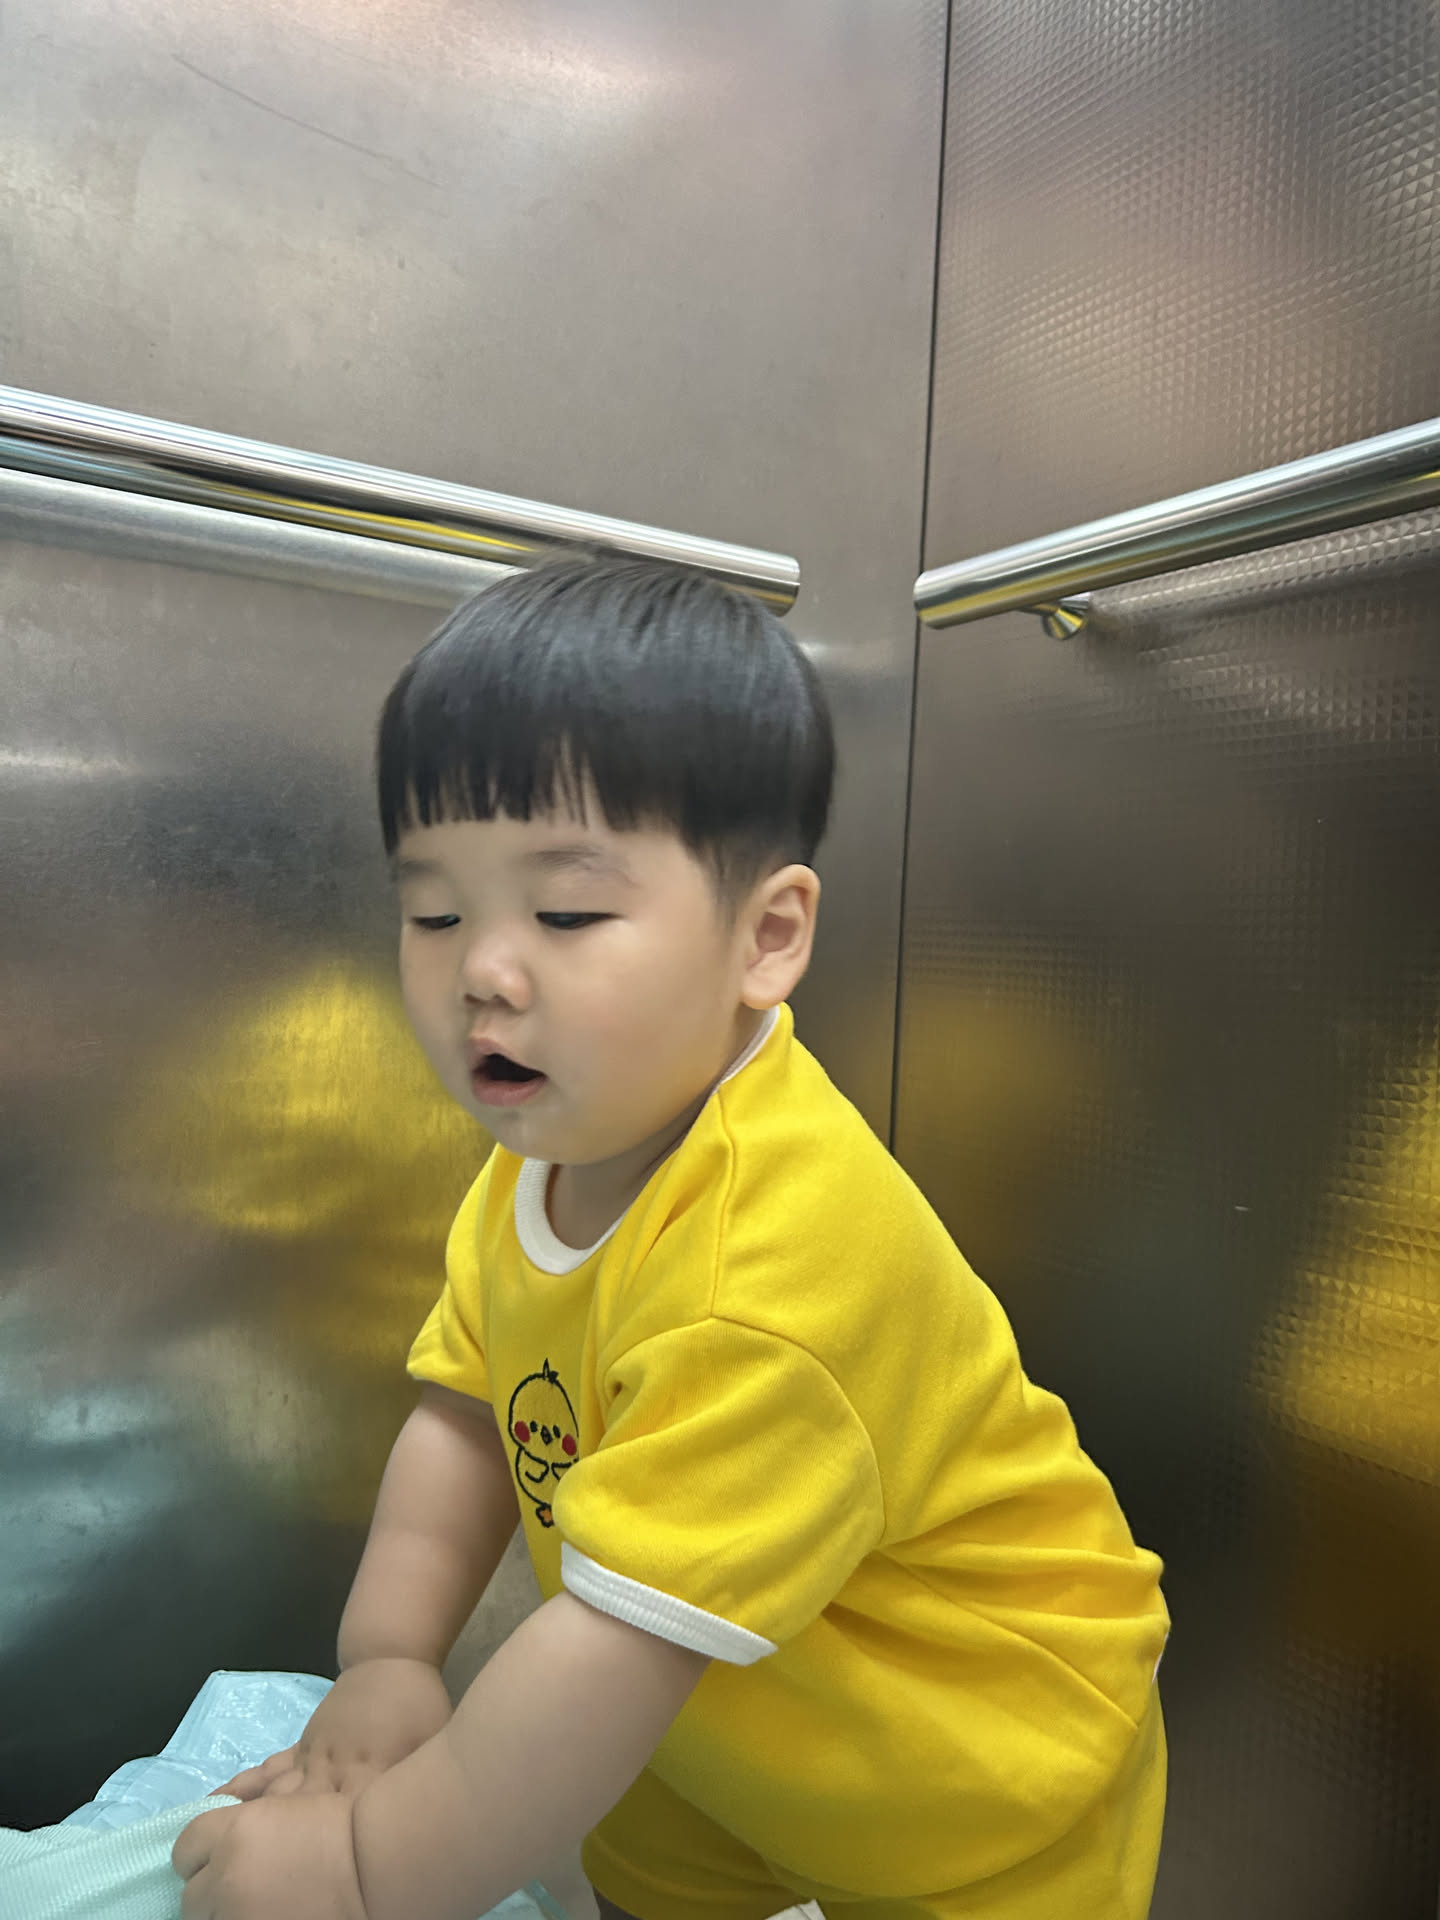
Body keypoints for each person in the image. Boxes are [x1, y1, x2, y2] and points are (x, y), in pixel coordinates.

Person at [173, 560, 1170, 1920]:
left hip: (976, 1780)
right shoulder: (550, 1156)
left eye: (567, 914)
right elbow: (468, 1408)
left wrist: (363, 1869)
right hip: (717, 1734)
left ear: (767, 937)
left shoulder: (771, 1269)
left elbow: (614, 1646)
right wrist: (390, 1658)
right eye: (435, 912)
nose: (482, 972)